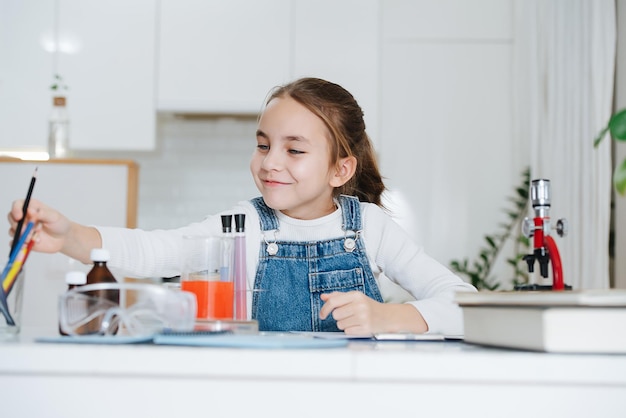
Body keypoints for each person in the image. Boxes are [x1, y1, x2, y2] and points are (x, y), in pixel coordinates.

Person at [8, 77, 476, 336]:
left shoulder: (370, 227)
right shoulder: (246, 224)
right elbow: (160, 251)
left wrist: (392, 317)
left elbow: (468, 305)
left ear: (340, 170)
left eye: (294, 150)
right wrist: (69, 236)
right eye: (262, 144)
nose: (270, 162)